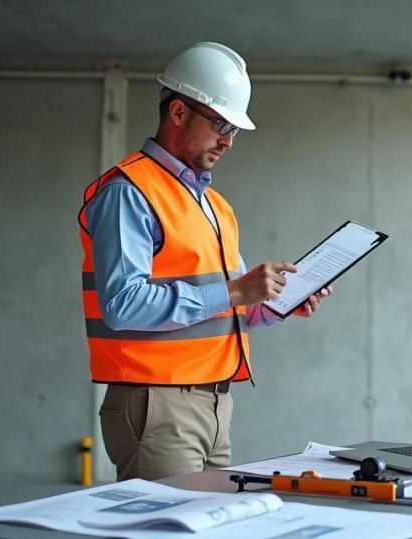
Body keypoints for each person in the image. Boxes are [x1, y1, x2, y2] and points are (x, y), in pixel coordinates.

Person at [76, 41, 332, 481]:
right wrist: (236, 290)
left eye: (234, 130)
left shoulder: (215, 206)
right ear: (178, 113)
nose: (228, 142)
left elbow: (226, 307)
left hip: (215, 405)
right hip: (156, 405)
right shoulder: (128, 192)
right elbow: (122, 305)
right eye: (220, 125)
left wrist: (275, 303)